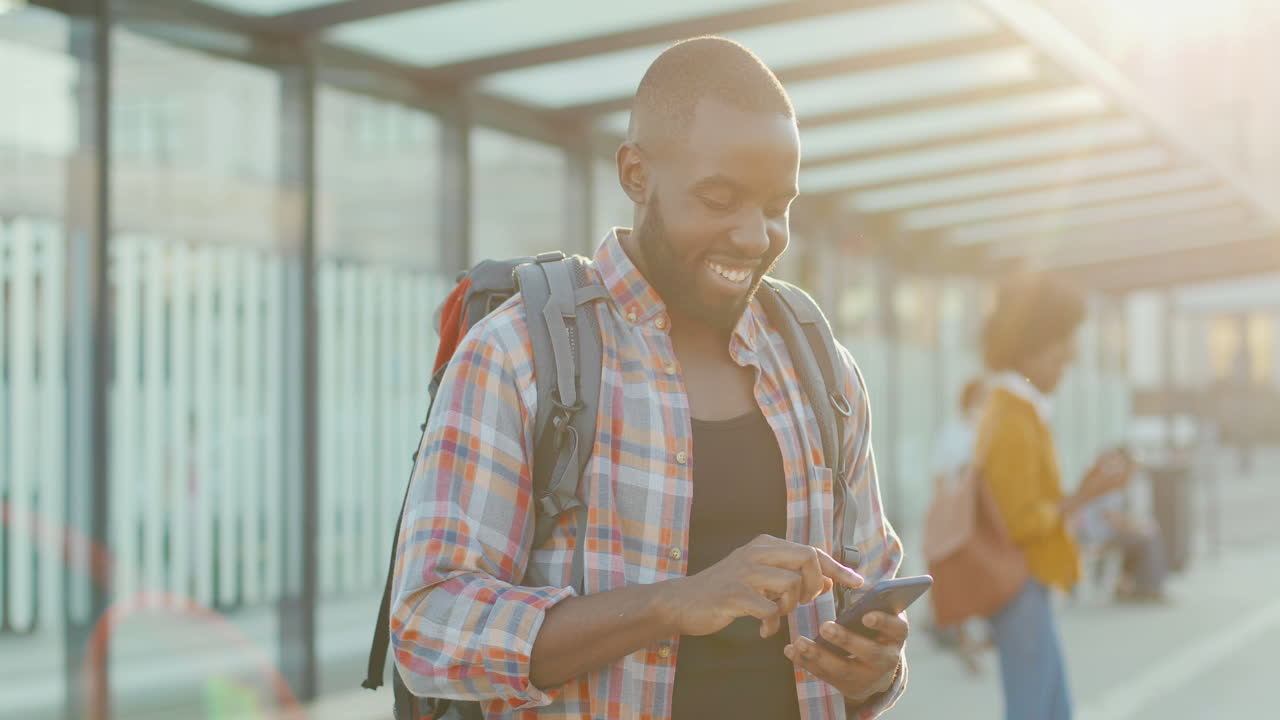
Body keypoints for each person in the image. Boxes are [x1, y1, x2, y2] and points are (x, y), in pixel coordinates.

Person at [390, 38, 908, 720]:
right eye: (720, 198)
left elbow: (870, 604)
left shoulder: (821, 369)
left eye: (777, 207)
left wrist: (875, 672)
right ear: (636, 174)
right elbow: (427, 628)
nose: (755, 236)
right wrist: (674, 602)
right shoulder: (515, 356)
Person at [976, 274, 1132, 720]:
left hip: (1029, 586)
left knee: (1053, 709)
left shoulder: (1015, 410)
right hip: (1020, 585)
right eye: (1057, 360)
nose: (1064, 371)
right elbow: (1020, 522)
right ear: (1027, 352)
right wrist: (1086, 494)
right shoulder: (1012, 417)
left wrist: (1084, 490)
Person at [928, 378, 989, 674]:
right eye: (982, 398)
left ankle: (977, 638)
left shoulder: (987, 432)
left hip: (984, 520)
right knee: (963, 580)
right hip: (960, 520)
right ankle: (966, 641)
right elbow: (940, 479)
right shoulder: (953, 434)